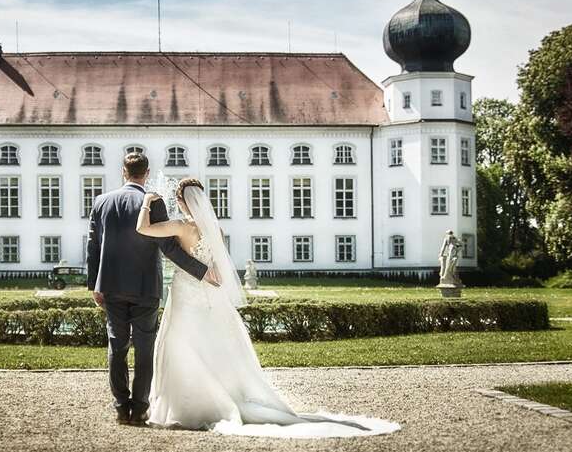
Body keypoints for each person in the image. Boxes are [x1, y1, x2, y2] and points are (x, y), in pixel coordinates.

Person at [136, 177, 400, 438]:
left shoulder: (183, 226)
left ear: (182, 202)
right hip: (210, 294)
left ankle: (187, 406)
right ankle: (219, 396)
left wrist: (147, 201)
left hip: (187, 292)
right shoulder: (216, 229)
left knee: (180, 343)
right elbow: (216, 264)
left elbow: (143, 229)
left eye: (178, 200)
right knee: (214, 344)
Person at [87, 154, 221, 426]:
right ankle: (140, 409)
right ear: (146, 173)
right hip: (146, 287)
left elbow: (93, 247)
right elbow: (169, 247)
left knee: (117, 346)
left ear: (123, 172)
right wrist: (201, 271)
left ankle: (121, 407)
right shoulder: (154, 201)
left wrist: (94, 285)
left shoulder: (101, 202)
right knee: (145, 348)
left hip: (111, 287)